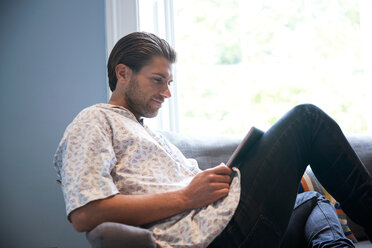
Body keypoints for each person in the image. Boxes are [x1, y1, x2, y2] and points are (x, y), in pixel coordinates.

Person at [54, 32, 372, 247]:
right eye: (157, 80)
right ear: (122, 73)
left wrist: (214, 180)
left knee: (311, 199)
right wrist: (189, 196)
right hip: (213, 237)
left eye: (169, 83)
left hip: (219, 219)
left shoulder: (147, 132)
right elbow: (86, 214)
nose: (166, 93)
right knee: (306, 120)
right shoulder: (94, 120)